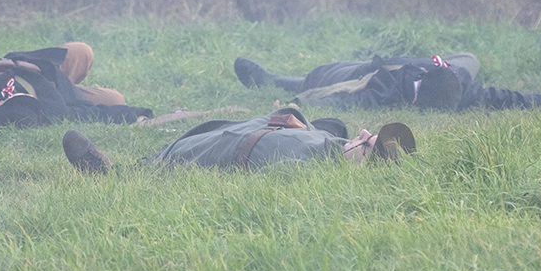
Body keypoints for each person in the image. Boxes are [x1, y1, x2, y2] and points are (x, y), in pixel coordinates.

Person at [62, 107, 417, 174]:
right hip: (251, 130)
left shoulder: (320, 169)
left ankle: (115, 175)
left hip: (230, 151)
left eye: (368, 144)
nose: (365, 134)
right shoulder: (335, 144)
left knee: (182, 155)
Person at [234, 53, 541, 112]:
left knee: (470, 58)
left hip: (442, 62)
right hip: (374, 67)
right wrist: (300, 103)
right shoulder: (388, 88)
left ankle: (281, 82)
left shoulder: (462, 86)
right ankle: (273, 80)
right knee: (318, 78)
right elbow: (349, 100)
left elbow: (510, 99)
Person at [0, 42, 153, 130]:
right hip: (59, 92)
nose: (12, 95)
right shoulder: (52, 111)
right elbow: (91, 114)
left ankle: (72, 82)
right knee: (116, 100)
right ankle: (75, 89)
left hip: (38, 67)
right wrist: (137, 115)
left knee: (82, 51)